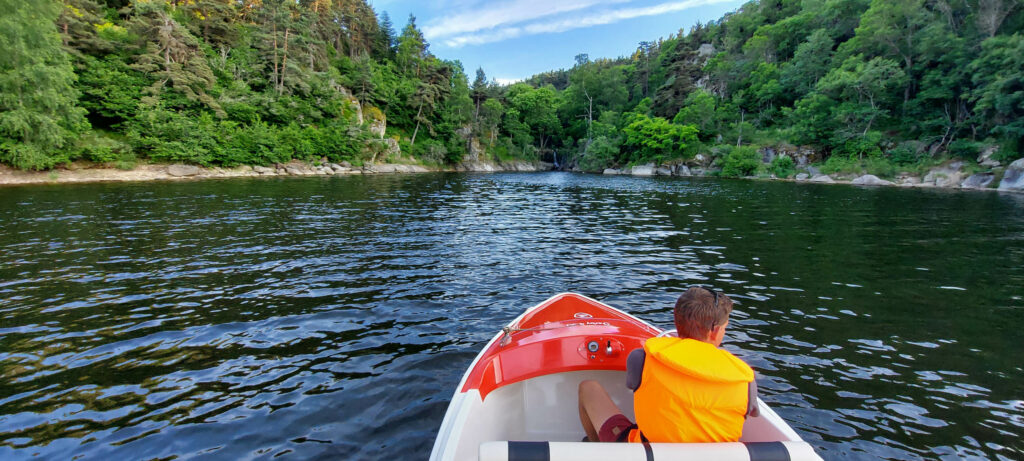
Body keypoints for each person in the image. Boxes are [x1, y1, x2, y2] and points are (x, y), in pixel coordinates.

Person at [578, 286, 757, 443]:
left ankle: (598, 449)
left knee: (588, 388)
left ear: (676, 320)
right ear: (715, 330)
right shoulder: (745, 380)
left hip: (647, 452)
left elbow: (636, 388)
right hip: (714, 456)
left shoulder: (641, 359)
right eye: (725, 327)